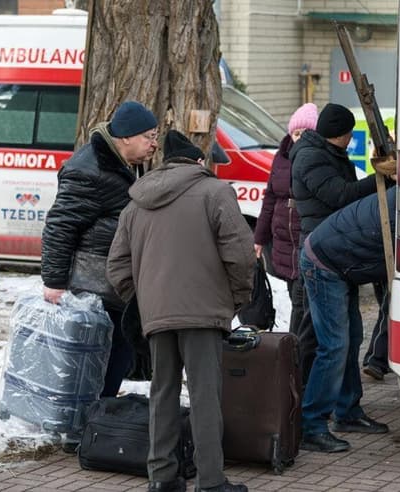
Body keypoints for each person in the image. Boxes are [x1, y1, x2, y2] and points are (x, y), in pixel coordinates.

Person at [107, 130, 255, 492]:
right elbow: (239, 253)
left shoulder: (136, 203)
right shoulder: (215, 192)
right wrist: (236, 299)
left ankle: (162, 478)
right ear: (199, 161)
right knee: (205, 396)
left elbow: (117, 267)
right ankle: (210, 481)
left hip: (157, 314)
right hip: (203, 312)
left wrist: (144, 299)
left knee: (163, 392)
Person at [41, 100, 158, 402]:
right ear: (126, 137)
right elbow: (60, 225)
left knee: (117, 351)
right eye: (149, 136)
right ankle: (89, 420)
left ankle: (99, 416)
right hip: (93, 283)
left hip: (112, 281)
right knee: (97, 356)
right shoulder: (90, 170)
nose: (154, 144)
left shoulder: (122, 165)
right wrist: (54, 282)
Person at [290, 102, 395, 384]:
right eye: (349, 133)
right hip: (320, 252)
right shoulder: (312, 157)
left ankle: (340, 403)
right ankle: (297, 394)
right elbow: (341, 196)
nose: (351, 139)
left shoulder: (328, 153)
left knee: (345, 334)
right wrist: (381, 178)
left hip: (332, 249)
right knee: (319, 335)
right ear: (339, 134)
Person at [299, 184, 396, 453]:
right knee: (334, 346)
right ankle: (311, 426)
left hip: (339, 262)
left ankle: (348, 412)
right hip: (324, 264)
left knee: (351, 339)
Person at [253, 102, 318, 334]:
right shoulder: (281, 157)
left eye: (306, 133)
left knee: (303, 298)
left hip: (304, 234)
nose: (300, 137)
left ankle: (296, 346)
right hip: (282, 237)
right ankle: (295, 345)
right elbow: (269, 197)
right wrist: (259, 238)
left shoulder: (317, 157)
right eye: (296, 132)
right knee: (294, 295)